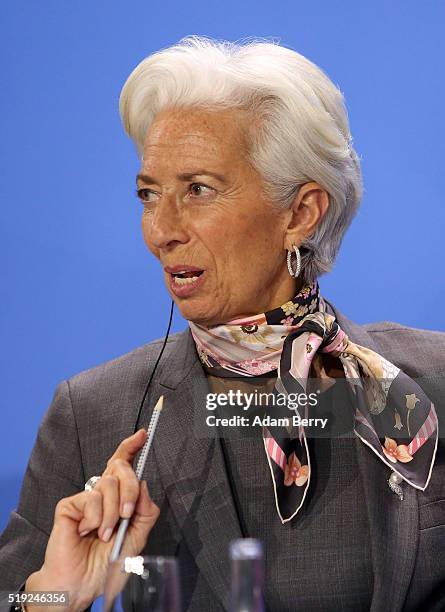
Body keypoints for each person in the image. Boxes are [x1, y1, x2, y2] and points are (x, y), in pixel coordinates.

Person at [0, 36, 444, 612]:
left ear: (300, 212)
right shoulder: (94, 413)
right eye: (148, 193)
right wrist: (50, 598)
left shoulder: (429, 385)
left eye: (199, 190)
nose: (161, 230)